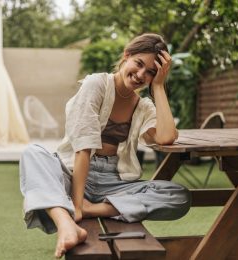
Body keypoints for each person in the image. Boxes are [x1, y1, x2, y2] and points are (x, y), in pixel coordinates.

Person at [20, 33, 191, 259]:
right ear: (126, 56)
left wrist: (158, 87)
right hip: (75, 174)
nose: (141, 75)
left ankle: (92, 209)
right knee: (33, 153)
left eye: (150, 72)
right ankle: (66, 224)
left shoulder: (144, 107)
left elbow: (166, 137)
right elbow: (83, 148)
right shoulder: (97, 84)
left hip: (114, 184)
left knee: (179, 195)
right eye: (139, 64)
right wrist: (78, 203)